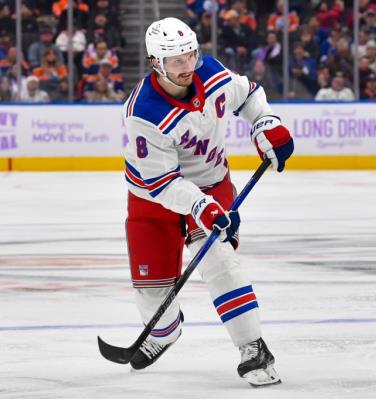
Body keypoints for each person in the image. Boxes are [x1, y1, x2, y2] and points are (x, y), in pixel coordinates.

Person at [122, 17, 293, 387]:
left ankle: (253, 347)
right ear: (156, 63)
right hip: (153, 197)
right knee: (152, 289)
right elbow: (162, 182)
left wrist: (266, 123)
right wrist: (199, 206)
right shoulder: (143, 113)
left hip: (212, 183)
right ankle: (165, 332)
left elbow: (249, 95)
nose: (187, 67)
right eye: (176, 61)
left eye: (190, 56)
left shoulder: (212, 74)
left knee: (220, 261)